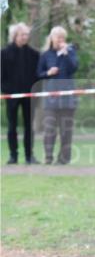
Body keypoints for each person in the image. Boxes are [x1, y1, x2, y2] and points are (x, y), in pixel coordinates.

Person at [36, 26, 80, 165]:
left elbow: (74, 68)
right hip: (51, 98)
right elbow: (38, 73)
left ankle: (64, 159)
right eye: (58, 37)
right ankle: (48, 157)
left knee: (66, 130)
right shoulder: (46, 55)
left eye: (63, 38)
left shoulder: (71, 52)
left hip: (68, 98)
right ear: (52, 38)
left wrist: (66, 54)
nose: (61, 40)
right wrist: (47, 73)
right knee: (50, 129)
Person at [2, 23, 41, 164]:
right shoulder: (4, 53)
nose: (25, 37)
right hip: (11, 96)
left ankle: (29, 156)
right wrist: (6, 90)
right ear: (15, 36)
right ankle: (13, 156)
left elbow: (38, 75)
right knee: (12, 126)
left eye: (26, 34)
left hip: (29, 96)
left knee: (29, 126)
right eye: (22, 34)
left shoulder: (34, 54)